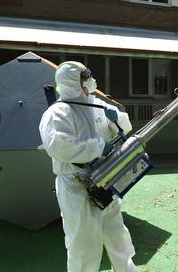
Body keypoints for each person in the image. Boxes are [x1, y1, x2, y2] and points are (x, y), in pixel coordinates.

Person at [39, 61, 138, 272]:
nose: (90, 82)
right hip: (76, 184)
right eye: (85, 79)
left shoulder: (96, 105)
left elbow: (125, 125)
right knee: (83, 240)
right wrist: (97, 148)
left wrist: (114, 121)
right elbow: (59, 147)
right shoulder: (59, 113)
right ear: (72, 82)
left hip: (104, 178)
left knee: (116, 232)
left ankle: (127, 269)